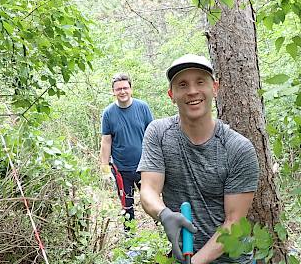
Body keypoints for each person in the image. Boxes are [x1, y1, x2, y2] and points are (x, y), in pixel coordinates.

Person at [138, 54, 259, 264]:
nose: (192, 91)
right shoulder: (158, 133)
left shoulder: (238, 148)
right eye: (182, 84)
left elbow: (233, 221)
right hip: (184, 254)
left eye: (200, 82)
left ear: (215, 88)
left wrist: (195, 262)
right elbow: (148, 189)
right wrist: (164, 214)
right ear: (171, 94)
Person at [99, 73, 154, 233]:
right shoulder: (108, 113)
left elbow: (152, 134)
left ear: (131, 89)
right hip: (121, 169)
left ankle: (163, 238)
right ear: (113, 92)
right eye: (118, 89)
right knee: (127, 205)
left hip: (145, 167)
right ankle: (131, 242)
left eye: (125, 88)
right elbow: (106, 141)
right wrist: (104, 167)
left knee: (152, 201)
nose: (122, 91)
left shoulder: (142, 107)